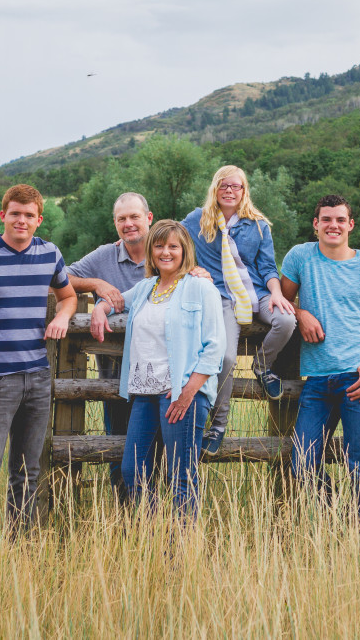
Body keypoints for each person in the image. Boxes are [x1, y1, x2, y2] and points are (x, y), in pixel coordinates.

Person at [0, 184, 77, 544]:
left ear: (39, 220)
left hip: (37, 379)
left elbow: (68, 296)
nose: (22, 220)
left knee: (27, 474)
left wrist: (64, 316)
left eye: (29, 215)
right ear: (3, 215)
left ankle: (21, 549)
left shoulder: (50, 254)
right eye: (15, 213)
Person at [280, 194, 360, 518]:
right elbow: (278, 305)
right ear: (315, 225)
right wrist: (300, 314)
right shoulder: (299, 258)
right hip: (318, 381)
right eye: (326, 219)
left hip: (359, 380)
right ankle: (340, 518)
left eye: (340, 220)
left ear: (350, 225)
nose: (333, 225)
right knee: (303, 463)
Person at [90, 220, 225, 517]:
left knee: (180, 476)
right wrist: (100, 308)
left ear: (184, 250)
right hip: (145, 393)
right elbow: (116, 302)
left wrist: (188, 392)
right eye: (159, 245)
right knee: (133, 471)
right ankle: (152, 540)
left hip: (181, 394)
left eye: (173, 246)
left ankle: (181, 555)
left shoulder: (201, 287)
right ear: (151, 251)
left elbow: (215, 346)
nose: (166, 252)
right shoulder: (146, 287)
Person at [182, 165, 296, 456]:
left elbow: (269, 267)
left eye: (236, 186)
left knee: (286, 320)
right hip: (220, 295)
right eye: (224, 186)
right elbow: (168, 239)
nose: (230, 191)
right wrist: (190, 267)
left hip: (255, 291)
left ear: (244, 191)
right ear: (215, 189)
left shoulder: (257, 225)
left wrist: (276, 293)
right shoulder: (198, 219)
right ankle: (218, 425)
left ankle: (262, 366)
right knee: (225, 356)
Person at [67, 192, 153, 505]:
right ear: (115, 223)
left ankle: (160, 518)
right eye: (122, 219)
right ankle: (126, 515)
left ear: (149, 218)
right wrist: (96, 285)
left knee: (161, 447)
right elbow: (59, 277)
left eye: (134, 217)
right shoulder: (104, 256)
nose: (128, 224)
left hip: (160, 372)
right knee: (119, 442)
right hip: (115, 374)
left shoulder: (165, 252)